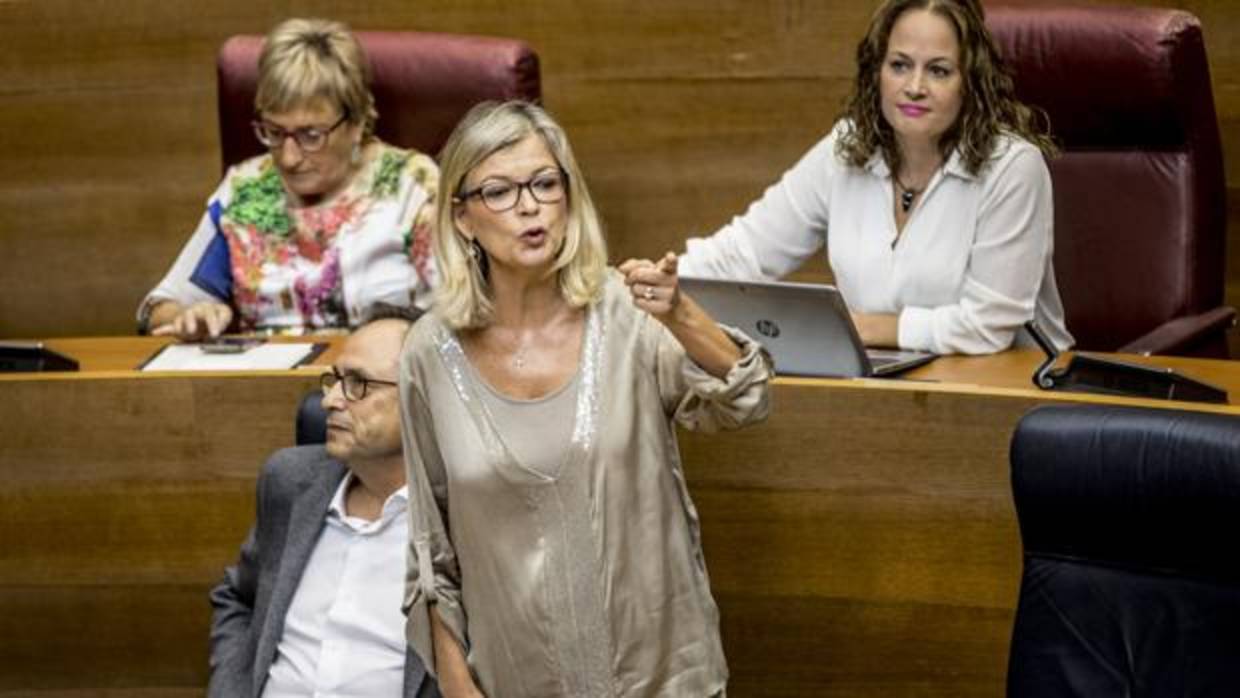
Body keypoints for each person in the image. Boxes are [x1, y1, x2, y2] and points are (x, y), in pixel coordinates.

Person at [398, 100, 772, 697]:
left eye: (545, 183)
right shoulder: (427, 353)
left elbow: (746, 397)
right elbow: (430, 549)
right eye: (499, 191)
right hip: (513, 681)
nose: (528, 206)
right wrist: (457, 682)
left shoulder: (628, 314)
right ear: (462, 217)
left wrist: (680, 314)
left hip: (661, 679)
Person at [679, 0, 1074, 356]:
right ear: (878, 72)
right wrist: (651, 286)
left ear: (970, 83)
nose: (914, 88)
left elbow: (987, 326)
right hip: (884, 381)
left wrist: (860, 327)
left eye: (938, 70)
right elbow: (742, 253)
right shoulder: (846, 150)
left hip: (1008, 393)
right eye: (899, 65)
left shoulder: (1012, 167)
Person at [139, 18, 438, 340]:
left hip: (381, 380)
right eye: (275, 132)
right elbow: (157, 309)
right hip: (268, 381)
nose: (289, 157)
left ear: (356, 122)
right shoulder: (247, 190)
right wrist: (189, 317)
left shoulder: (413, 185)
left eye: (311, 135)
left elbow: (462, 310)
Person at [208, 304, 439, 698]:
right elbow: (239, 597)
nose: (330, 400)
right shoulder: (290, 482)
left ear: (423, 398)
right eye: (333, 380)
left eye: (358, 384)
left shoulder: (462, 516)